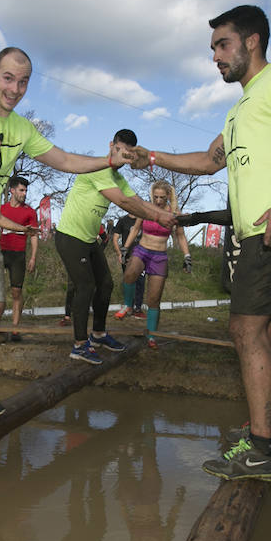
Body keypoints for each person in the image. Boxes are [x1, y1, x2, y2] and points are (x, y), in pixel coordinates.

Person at [129, 5, 271, 481]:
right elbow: (207, 160)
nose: (215, 57)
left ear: (252, 41)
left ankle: (260, 449)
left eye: (222, 45)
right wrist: (151, 156)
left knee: (244, 329)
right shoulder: (240, 108)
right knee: (264, 332)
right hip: (255, 235)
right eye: (213, 49)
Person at [0, 47, 136, 430]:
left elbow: (66, 161)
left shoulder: (21, 128)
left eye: (23, 82)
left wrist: (109, 161)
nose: (15, 88)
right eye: (8, 78)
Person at [56, 129, 176, 365]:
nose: (124, 157)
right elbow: (122, 201)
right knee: (86, 286)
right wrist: (160, 217)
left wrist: (165, 214)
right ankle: (79, 346)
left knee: (106, 284)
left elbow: (137, 202)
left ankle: (98, 335)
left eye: (129, 154)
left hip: (88, 240)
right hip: (70, 238)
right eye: (120, 151)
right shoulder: (98, 168)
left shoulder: (118, 178)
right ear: (111, 146)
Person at [114, 180, 191, 348]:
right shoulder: (146, 208)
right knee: (129, 274)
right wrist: (125, 248)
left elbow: (180, 237)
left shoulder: (174, 214)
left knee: (154, 299)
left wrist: (187, 256)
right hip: (142, 250)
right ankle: (127, 305)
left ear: (168, 196)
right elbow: (135, 229)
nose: (158, 201)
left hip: (159, 256)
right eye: (155, 197)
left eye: (162, 197)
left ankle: (151, 336)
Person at [0, 176, 39, 341]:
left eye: (26, 190)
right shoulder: (1, 209)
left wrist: (33, 257)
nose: (24, 193)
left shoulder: (30, 212)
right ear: (12, 191)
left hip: (18, 255)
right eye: (21, 190)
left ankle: (15, 329)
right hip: (0, 252)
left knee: (16, 291)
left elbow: (34, 236)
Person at [112, 213, 147, 319]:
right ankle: (129, 307)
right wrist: (119, 253)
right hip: (127, 257)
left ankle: (138, 309)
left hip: (141, 256)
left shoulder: (143, 219)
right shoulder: (123, 220)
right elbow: (115, 237)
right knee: (129, 282)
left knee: (140, 282)